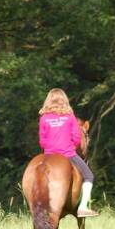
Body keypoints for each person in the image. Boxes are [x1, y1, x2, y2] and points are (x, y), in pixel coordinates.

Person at [38, 88, 99, 217]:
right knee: (89, 176)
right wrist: (70, 146)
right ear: (64, 100)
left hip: (49, 154)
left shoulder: (44, 118)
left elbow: (42, 141)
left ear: (48, 100)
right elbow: (76, 138)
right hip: (68, 154)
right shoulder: (69, 116)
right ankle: (83, 207)